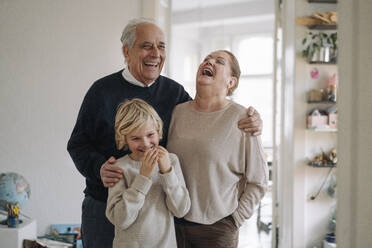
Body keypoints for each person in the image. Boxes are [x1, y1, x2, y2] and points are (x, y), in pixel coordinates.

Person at [67, 18, 263, 247]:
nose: (156, 54)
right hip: (105, 207)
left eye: (161, 46)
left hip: (157, 215)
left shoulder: (174, 94)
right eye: (146, 46)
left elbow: (206, 122)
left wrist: (254, 122)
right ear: (126, 51)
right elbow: (77, 144)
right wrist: (99, 167)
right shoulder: (101, 91)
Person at [167, 50, 269, 248]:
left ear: (231, 82)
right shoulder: (177, 112)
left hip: (216, 231)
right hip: (172, 226)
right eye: (206, 59)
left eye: (219, 61)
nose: (209, 62)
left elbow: (259, 180)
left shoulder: (242, 117)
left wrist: (234, 220)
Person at [106, 98, 190, 247]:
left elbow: (181, 210)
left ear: (158, 131)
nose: (145, 143)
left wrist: (167, 172)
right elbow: (121, 220)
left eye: (150, 135)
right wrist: (143, 177)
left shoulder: (171, 161)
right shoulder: (119, 168)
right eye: (136, 138)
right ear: (124, 138)